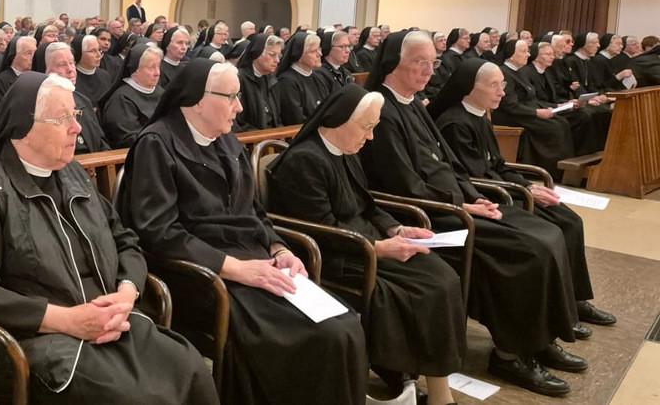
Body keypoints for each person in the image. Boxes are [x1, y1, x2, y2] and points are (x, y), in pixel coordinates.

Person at [0, 71, 217, 404]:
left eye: (76, 115)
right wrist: (68, 320)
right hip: (35, 340)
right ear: (23, 127)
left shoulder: (72, 174)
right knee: (131, 397)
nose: (77, 128)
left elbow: (124, 240)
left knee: (188, 366)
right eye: (62, 118)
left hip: (110, 320)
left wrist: (127, 293)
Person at [119, 59, 367, 404]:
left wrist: (279, 248)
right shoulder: (156, 144)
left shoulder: (227, 140)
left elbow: (254, 210)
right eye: (232, 97)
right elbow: (158, 232)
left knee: (345, 323)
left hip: (254, 262)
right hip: (199, 275)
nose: (240, 107)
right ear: (197, 100)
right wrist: (236, 269)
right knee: (323, 336)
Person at [358, 31, 584, 397]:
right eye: (420, 62)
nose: (429, 70)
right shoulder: (382, 110)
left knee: (548, 233)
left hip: (455, 202)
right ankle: (511, 354)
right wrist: (461, 204)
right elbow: (402, 182)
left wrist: (473, 195)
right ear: (392, 64)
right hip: (429, 214)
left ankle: (539, 339)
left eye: (432, 62)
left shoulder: (413, 103)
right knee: (527, 249)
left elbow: (449, 163)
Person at [269, 84, 466, 405]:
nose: (371, 137)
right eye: (366, 127)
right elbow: (323, 229)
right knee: (426, 287)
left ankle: (433, 386)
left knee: (443, 277)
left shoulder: (345, 151)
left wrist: (397, 228)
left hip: (366, 242)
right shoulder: (305, 160)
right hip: (335, 254)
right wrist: (380, 247)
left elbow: (367, 204)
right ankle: (426, 386)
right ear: (338, 119)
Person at [430, 59, 616, 330]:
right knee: (554, 230)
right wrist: (521, 189)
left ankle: (575, 300)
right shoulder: (455, 123)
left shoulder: (480, 114)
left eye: (502, 84)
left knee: (571, 221)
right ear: (470, 87)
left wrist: (529, 186)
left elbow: (498, 165)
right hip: (489, 196)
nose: (502, 92)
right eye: (494, 85)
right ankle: (559, 308)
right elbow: (472, 177)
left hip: (504, 188)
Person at [492, 39, 575, 175]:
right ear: (511, 55)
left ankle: (564, 169)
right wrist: (537, 112)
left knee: (562, 122)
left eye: (528, 51)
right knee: (553, 127)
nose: (529, 55)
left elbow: (532, 99)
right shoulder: (504, 73)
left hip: (524, 111)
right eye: (524, 51)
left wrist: (554, 106)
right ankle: (549, 170)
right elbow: (510, 105)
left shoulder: (520, 72)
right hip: (510, 115)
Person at [32, 42, 109, 154]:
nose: (70, 69)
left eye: (72, 62)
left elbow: (101, 141)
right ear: (44, 70)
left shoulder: (83, 101)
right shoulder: (37, 107)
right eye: (62, 65)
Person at [98, 43, 164, 149]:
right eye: (151, 67)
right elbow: (128, 139)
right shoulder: (121, 100)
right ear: (135, 71)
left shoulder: (162, 93)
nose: (157, 73)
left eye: (158, 66)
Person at [275, 31, 327, 125]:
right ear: (299, 56)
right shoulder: (287, 81)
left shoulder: (317, 76)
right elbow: (295, 118)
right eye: (313, 51)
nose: (320, 54)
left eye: (319, 49)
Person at [234, 34, 284, 131]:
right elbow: (239, 122)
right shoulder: (239, 79)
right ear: (257, 53)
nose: (277, 60)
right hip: (252, 137)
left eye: (279, 55)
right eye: (272, 54)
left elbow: (277, 118)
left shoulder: (272, 80)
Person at [0, 34, 36, 104]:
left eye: (35, 53)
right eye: (28, 53)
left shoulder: (36, 78)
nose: (33, 57)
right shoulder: (1, 82)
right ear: (14, 56)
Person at [72, 32, 112, 103]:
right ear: (79, 53)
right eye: (92, 51)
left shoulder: (105, 76)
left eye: (99, 50)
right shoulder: (71, 77)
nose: (98, 55)